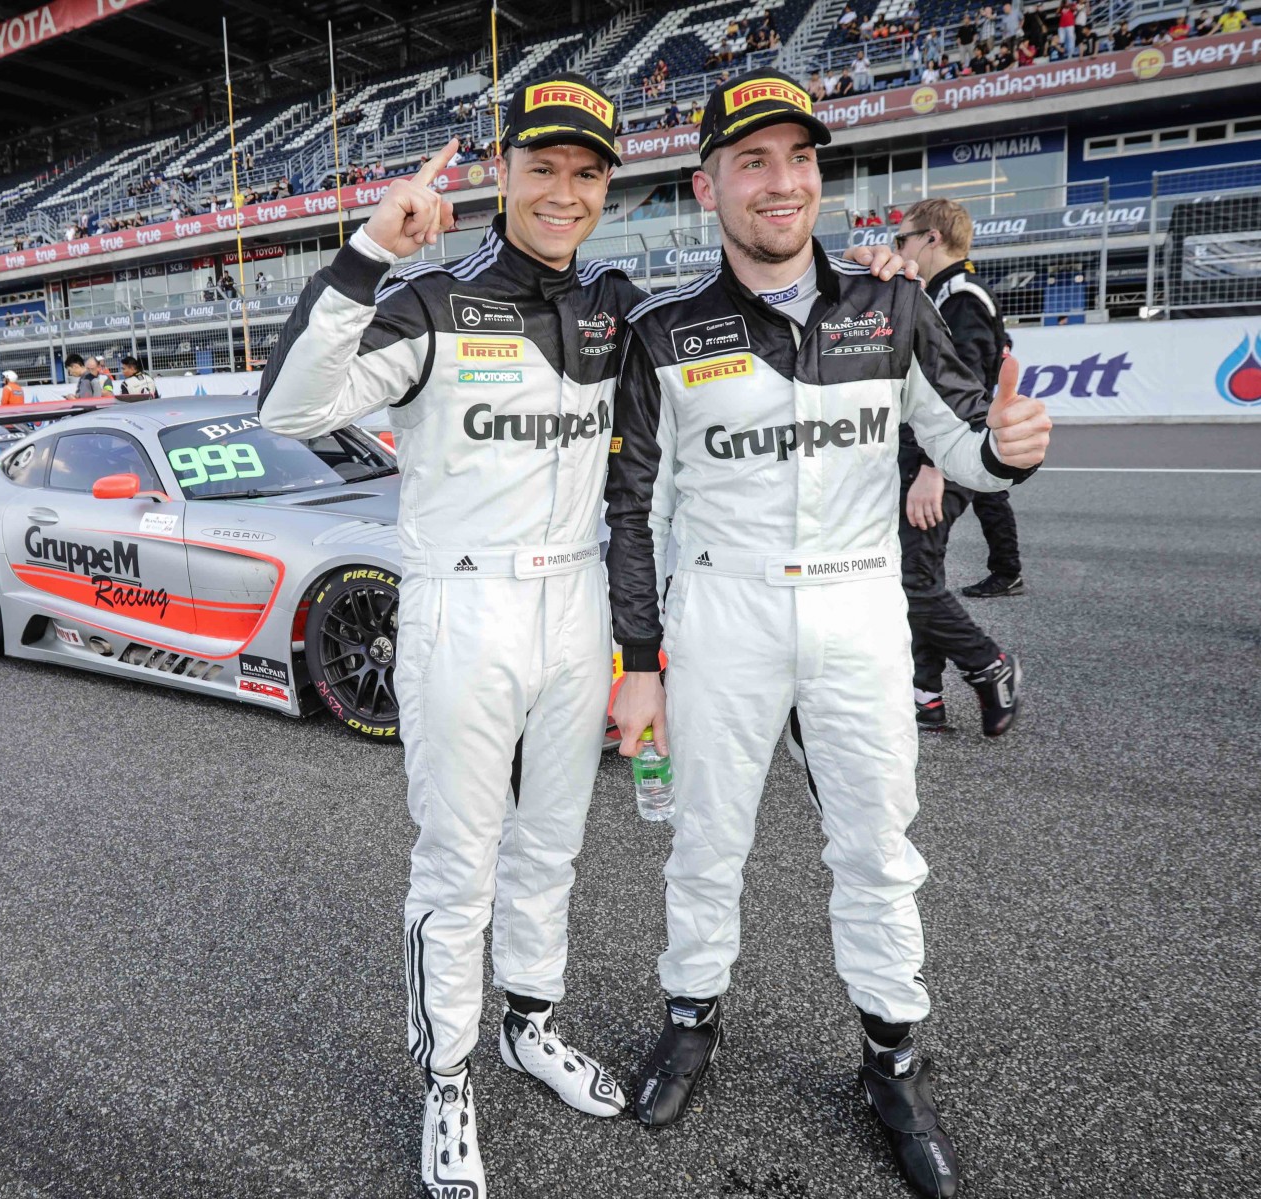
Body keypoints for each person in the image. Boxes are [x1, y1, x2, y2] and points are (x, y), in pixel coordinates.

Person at [605, 71, 1051, 1199]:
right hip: (724, 610)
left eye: (798, 158)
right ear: (707, 186)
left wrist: (1009, 451)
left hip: (857, 607)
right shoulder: (662, 331)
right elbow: (634, 512)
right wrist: (640, 663)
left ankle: (894, 1060)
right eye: (752, 161)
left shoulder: (891, 306)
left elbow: (965, 441)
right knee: (705, 838)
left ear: (818, 175)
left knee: (878, 846)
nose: (781, 181)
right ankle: (692, 1017)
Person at [260, 74, 659, 1197]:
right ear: (503, 173)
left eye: (586, 173)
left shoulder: (619, 305)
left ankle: (531, 1024)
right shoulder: (432, 298)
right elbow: (290, 409)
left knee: (553, 845)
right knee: (457, 861)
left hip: (576, 604)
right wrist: (364, 255)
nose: (563, 191)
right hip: (461, 605)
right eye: (542, 167)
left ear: (605, 188)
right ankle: (446, 1077)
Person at [893, 200, 1025, 735]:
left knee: (908, 580)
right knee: (920, 574)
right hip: (929, 454)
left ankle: (988, 665)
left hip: (941, 458)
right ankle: (925, 696)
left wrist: (933, 469)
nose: (898, 248)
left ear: (932, 238)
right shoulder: (942, 291)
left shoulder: (961, 295)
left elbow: (962, 391)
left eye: (902, 239)